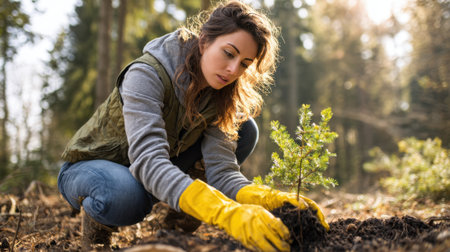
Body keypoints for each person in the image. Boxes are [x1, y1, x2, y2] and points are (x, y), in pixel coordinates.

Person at [57, 1, 329, 251]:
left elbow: (221, 172)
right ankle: (99, 220)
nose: (233, 70)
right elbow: (149, 161)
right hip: (93, 168)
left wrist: (264, 198)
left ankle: (177, 224)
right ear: (204, 41)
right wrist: (222, 211)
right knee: (125, 196)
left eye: (244, 64)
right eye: (228, 53)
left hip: (149, 172)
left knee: (246, 130)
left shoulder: (222, 93)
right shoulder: (147, 74)